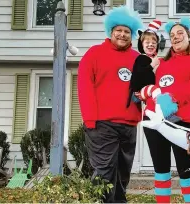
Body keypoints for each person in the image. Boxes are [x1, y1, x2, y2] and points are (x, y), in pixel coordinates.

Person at [140, 17, 190, 203]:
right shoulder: (162, 63)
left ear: (188, 35)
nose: (176, 37)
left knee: (185, 168)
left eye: (180, 33)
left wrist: (168, 99)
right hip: (157, 121)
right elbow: (146, 82)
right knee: (160, 169)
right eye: (172, 35)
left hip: (185, 121)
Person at [77, 5, 143, 203]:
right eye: (119, 31)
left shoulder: (138, 59)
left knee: (123, 172)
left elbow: (146, 88)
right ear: (111, 31)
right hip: (101, 124)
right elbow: (84, 86)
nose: (122, 35)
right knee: (104, 173)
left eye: (127, 32)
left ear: (131, 35)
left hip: (129, 125)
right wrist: (90, 120)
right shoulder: (95, 54)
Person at [127, 20, 179, 122]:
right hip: (138, 92)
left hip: (146, 90)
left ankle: (156, 114)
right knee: (156, 90)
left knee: (162, 92)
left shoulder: (155, 59)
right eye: (147, 42)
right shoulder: (141, 58)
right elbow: (138, 75)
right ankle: (168, 114)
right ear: (142, 45)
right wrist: (152, 65)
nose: (151, 45)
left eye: (153, 42)